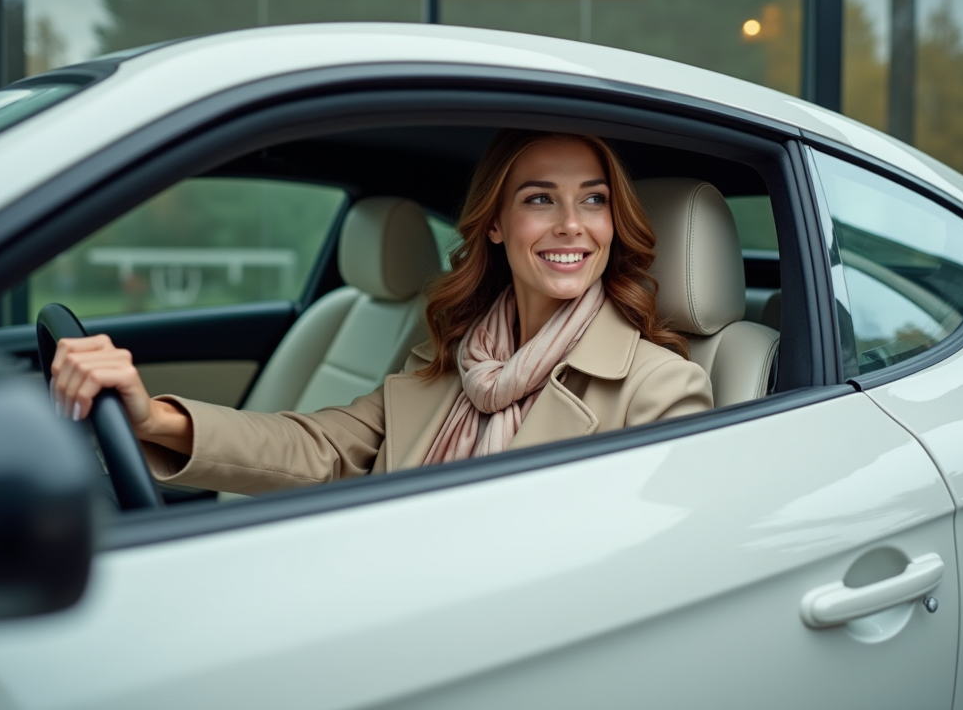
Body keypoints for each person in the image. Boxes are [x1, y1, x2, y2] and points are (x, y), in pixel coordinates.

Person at [50, 130, 714, 494]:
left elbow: (649, 570)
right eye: (540, 200)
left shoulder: (661, 389)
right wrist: (152, 417)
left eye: (593, 201)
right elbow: (319, 449)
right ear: (494, 225)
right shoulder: (451, 355)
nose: (572, 225)